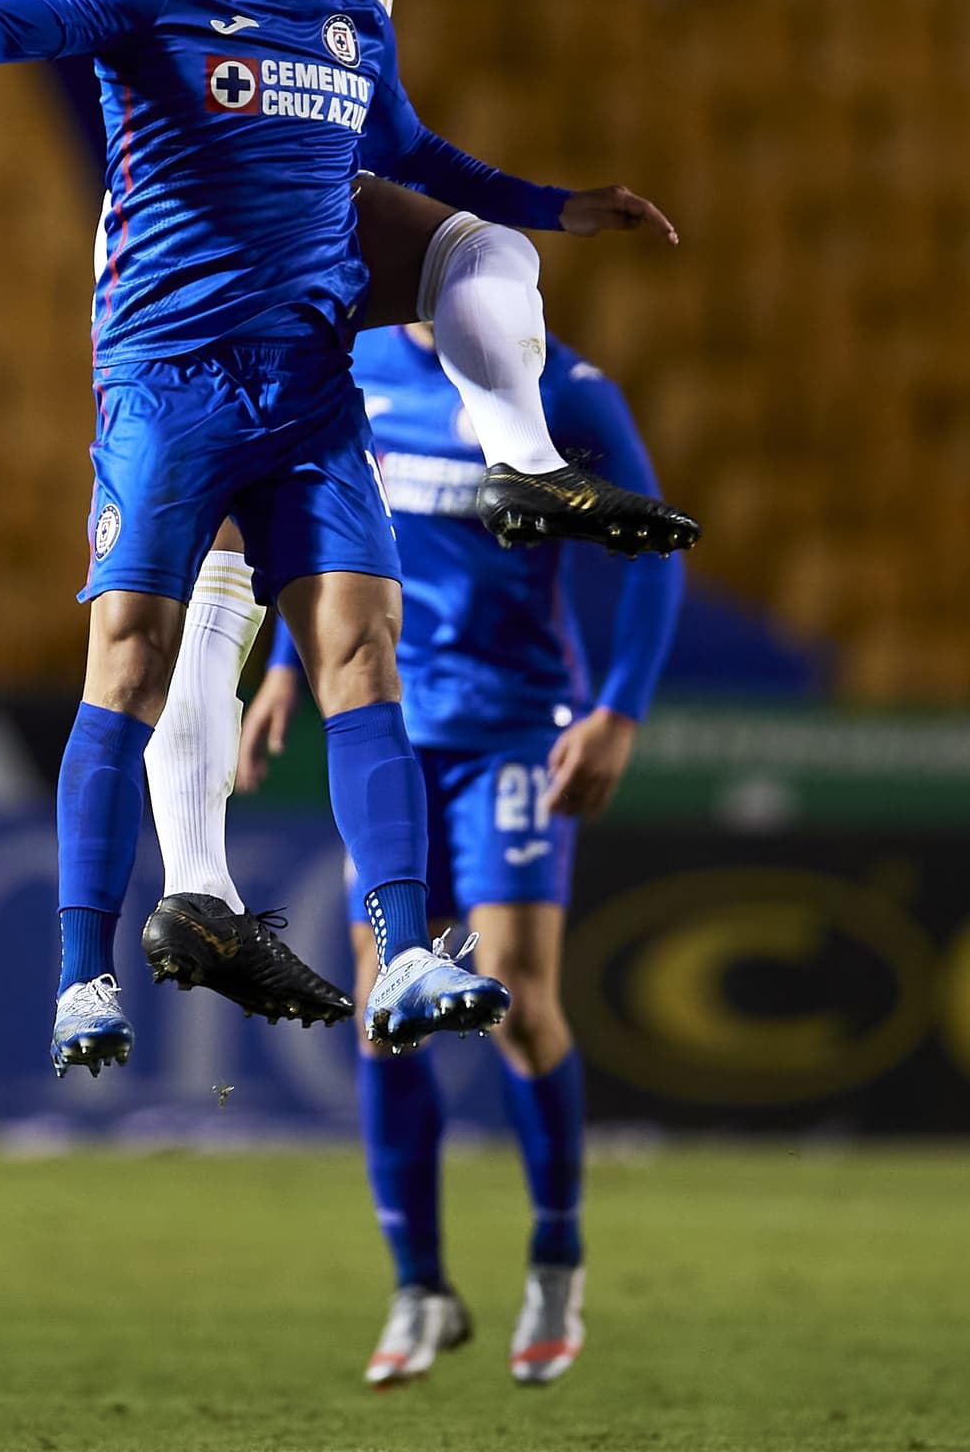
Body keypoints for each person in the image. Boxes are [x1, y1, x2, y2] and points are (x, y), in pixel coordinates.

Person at [0, 0, 694, 1080]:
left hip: (314, 393)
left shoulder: (354, 22)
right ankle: (82, 978)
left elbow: (422, 158)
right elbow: (23, 17)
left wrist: (559, 208)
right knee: (131, 662)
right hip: (170, 385)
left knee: (359, 658)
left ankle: (406, 943)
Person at [138, 0, 778, 1025]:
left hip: (302, 224)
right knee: (207, 583)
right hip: (199, 228)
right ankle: (193, 885)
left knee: (477, 264)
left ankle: (520, 466)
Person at [237, 322, 684, 1386]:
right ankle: (418, 1288)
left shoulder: (562, 388)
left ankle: (554, 1260)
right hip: (383, 722)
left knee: (519, 1000)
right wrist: (293, 669)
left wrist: (617, 710)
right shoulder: (352, 370)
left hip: (512, 728)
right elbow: (314, 526)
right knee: (383, 1007)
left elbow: (656, 554)